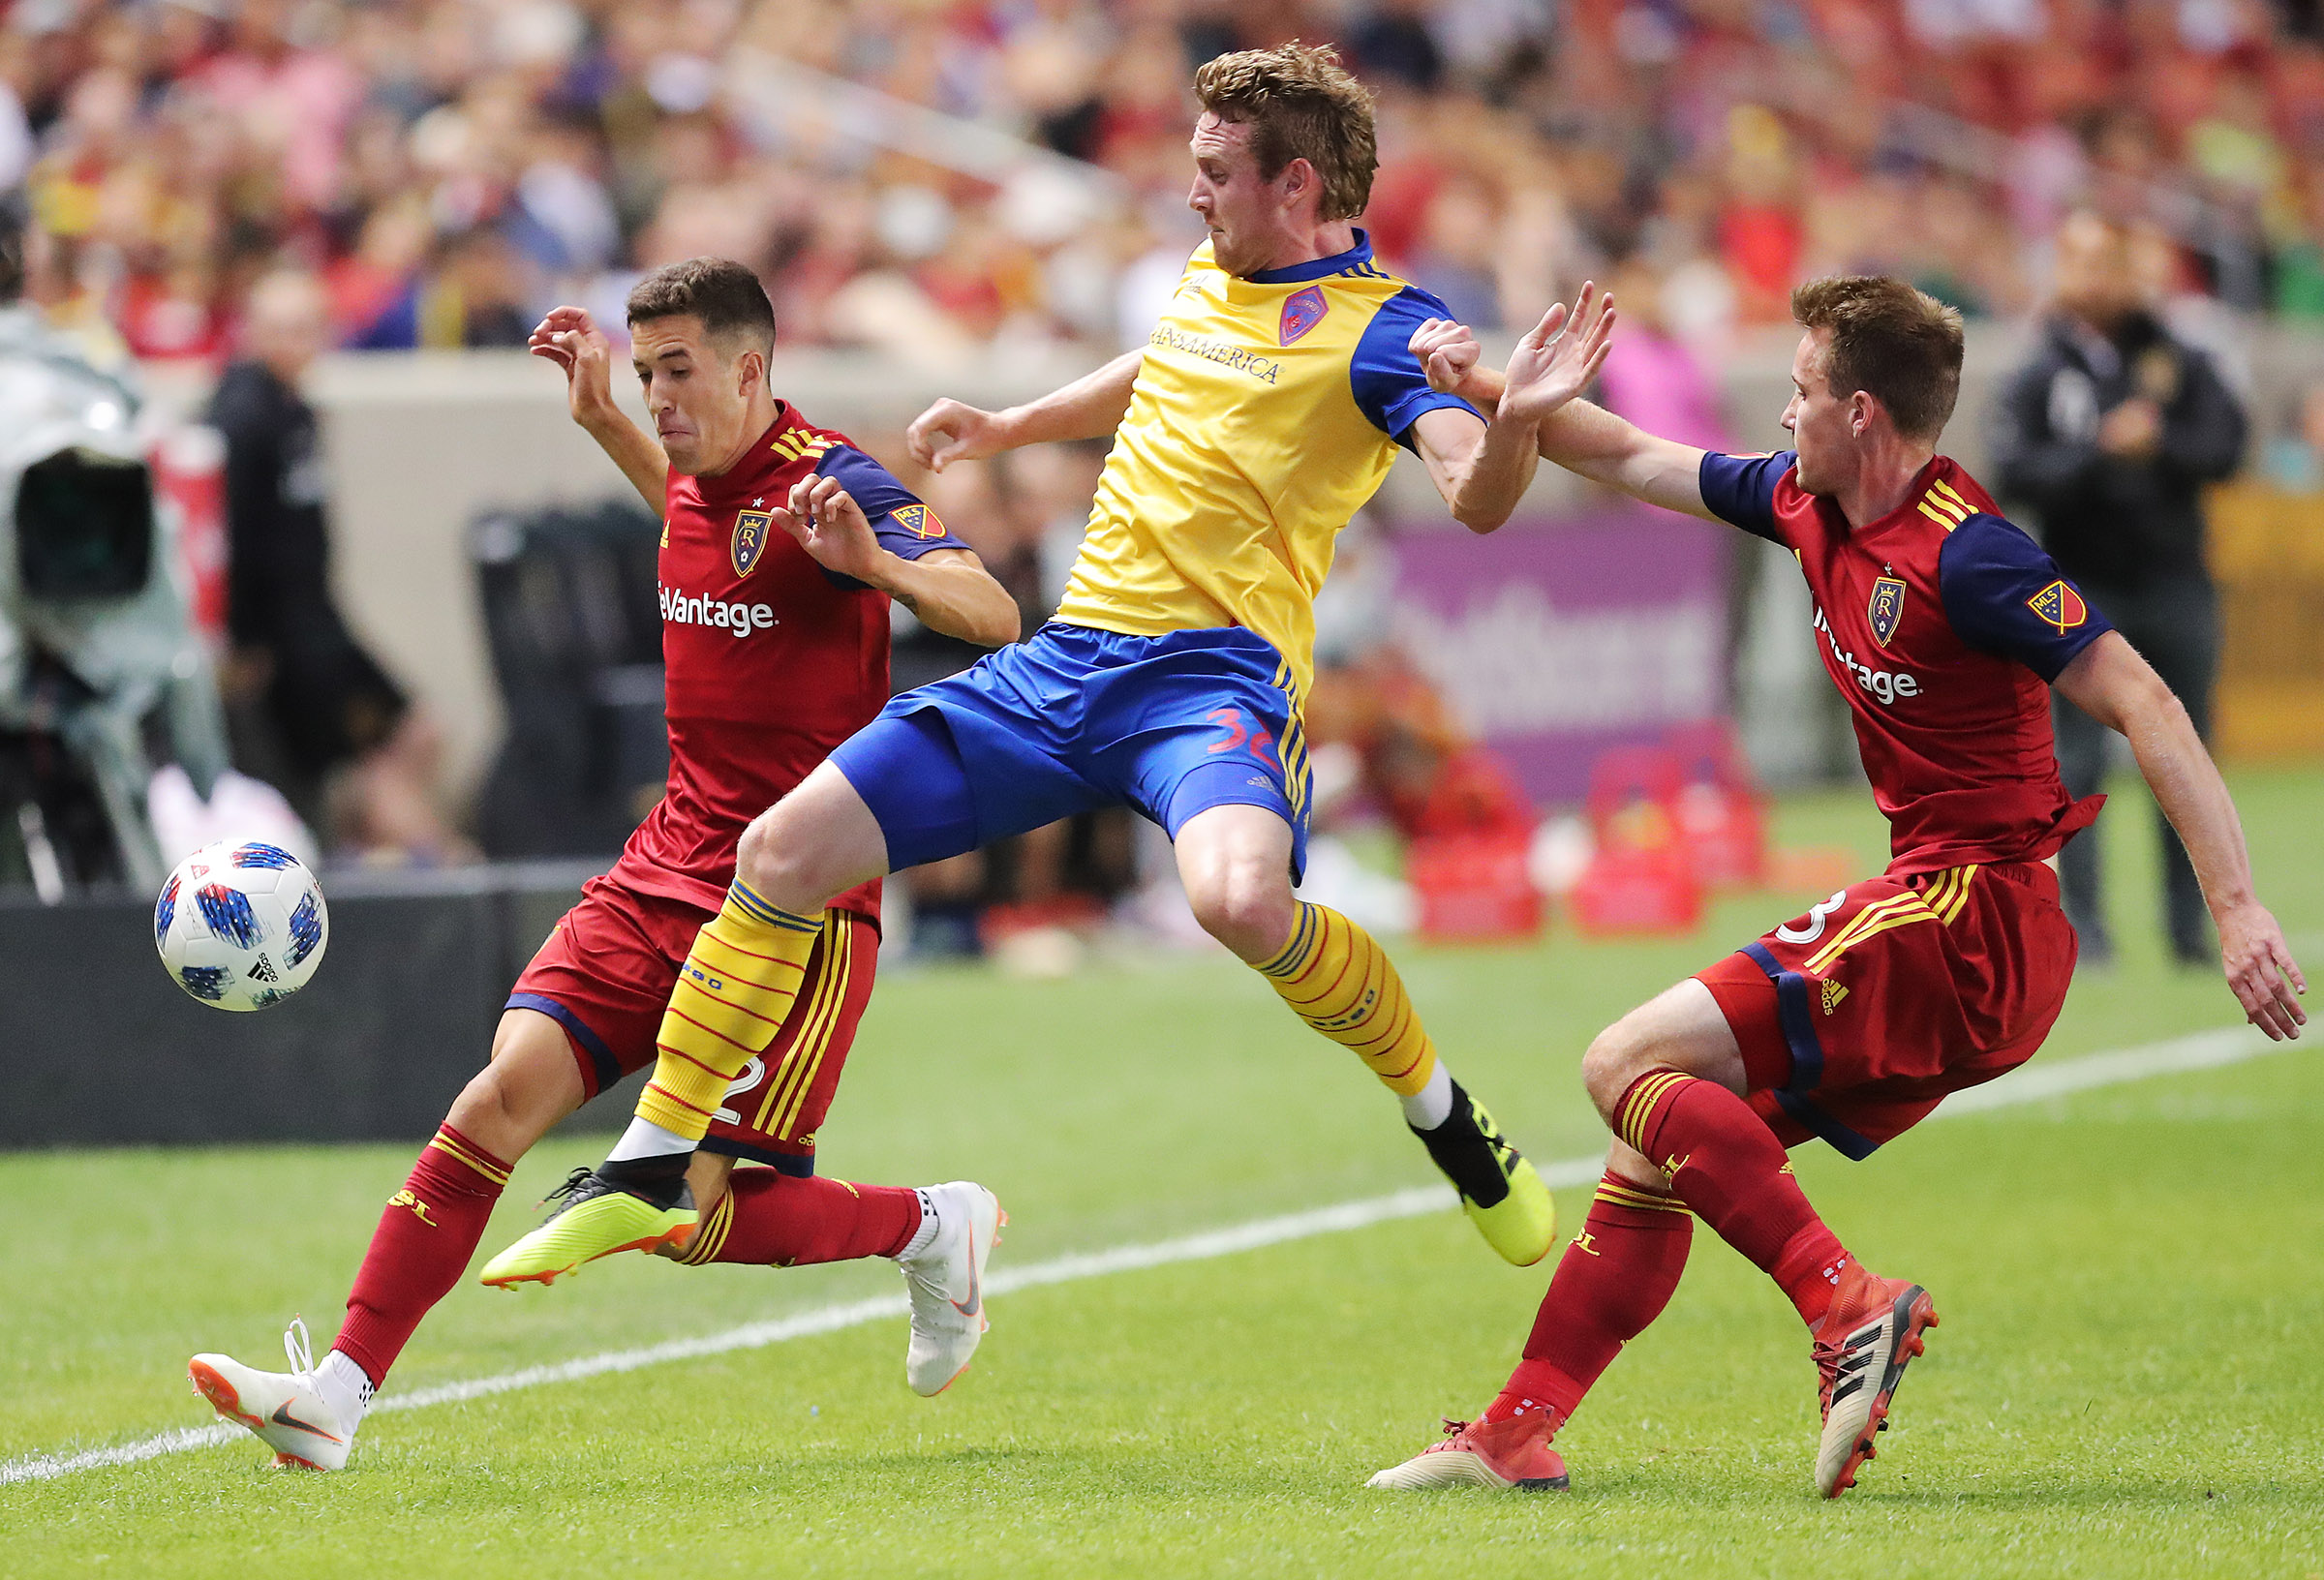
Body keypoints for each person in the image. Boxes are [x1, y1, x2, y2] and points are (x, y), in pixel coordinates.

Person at [478, 42, 1606, 1289]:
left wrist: (1516, 417)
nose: (1191, 193)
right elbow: (1166, 364)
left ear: (1295, 185)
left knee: (1239, 903)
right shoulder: (1212, 273)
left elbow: (1476, 495)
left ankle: (1441, 1110)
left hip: (1212, 683)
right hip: (1070, 664)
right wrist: (1016, 420)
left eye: (1215, 172)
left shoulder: (1391, 333)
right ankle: (647, 1165)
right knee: (779, 852)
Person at [1369, 275, 2305, 1499]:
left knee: (1620, 1063)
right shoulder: (1806, 502)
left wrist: (2236, 908)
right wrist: (1508, 393)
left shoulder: (1974, 556)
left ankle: (1845, 1304)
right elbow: (1638, 454)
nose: (1781, 417)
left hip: (1975, 914)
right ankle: (1512, 1433)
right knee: (1659, 1137)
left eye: (1801, 393)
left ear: (1861, 413)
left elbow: (2148, 704)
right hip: (1949, 920)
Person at [186, 257, 1024, 1471]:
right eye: (648, 374)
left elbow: (991, 611)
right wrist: (605, 424)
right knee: (495, 1101)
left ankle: (931, 1228)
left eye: (679, 371)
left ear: (750, 368)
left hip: (796, 907)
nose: (663, 396)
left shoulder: (829, 482)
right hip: (660, 867)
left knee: (687, 1215)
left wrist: (879, 571)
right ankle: (335, 1396)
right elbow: (694, 513)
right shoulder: (697, 477)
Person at [1991, 210, 2248, 968]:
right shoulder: (2039, 370)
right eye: (2080, 261)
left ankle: (2190, 927)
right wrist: (2099, 453)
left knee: (2185, 755)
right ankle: (2086, 933)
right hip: (2081, 588)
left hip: (2175, 580)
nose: (2096, 278)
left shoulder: (2178, 358)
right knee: (2076, 766)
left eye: (2109, 261)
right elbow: (2015, 472)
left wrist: (2161, 443)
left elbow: (2227, 446)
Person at [208, 268, 467, 863]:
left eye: (306, 328)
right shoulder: (241, 419)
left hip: (319, 624)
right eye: (279, 328)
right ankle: (443, 870)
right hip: (287, 644)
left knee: (412, 736)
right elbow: (230, 540)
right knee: (374, 762)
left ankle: (374, 852)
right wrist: (243, 638)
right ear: (251, 332)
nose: (293, 343)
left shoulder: (291, 410)